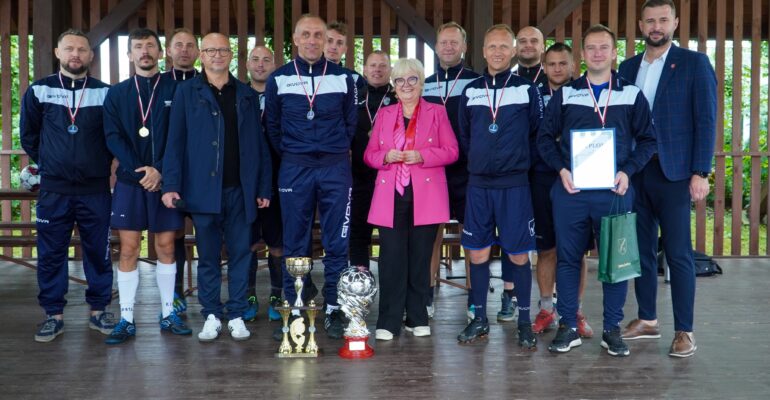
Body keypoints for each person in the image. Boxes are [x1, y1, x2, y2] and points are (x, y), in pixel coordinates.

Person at [538, 24, 656, 357]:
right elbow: (544, 139)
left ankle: (612, 330)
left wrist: (627, 172)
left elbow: (648, 140)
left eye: (604, 47)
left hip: (614, 191)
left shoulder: (631, 94)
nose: (597, 53)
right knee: (568, 259)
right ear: (583, 54)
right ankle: (568, 327)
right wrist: (561, 170)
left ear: (614, 52)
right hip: (571, 191)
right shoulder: (567, 94)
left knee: (615, 262)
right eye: (591, 48)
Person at [618, 0, 716, 358]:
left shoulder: (694, 64)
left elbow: (706, 121)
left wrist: (700, 171)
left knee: (678, 254)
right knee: (641, 252)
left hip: (675, 173)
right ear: (641, 25)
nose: (656, 26)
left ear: (675, 22)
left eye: (663, 19)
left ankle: (684, 330)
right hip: (636, 173)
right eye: (650, 21)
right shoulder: (627, 68)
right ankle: (647, 319)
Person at [162, 33, 272, 342]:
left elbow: (259, 145)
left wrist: (263, 187)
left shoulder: (246, 94)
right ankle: (211, 313)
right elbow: (175, 142)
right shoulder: (186, 92)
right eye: (210, 50)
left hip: (241, 190)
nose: (216, 55)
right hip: (201, 190)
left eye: (222, 50)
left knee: (241, 254)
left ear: (230, 54)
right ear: (201, 54)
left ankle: (236, 313)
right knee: (208, 256)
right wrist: (171, 185)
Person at [264, 14, 358, 340]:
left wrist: (330, 149)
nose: (313, 40)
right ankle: (296, 308)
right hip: (295, 167)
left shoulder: (346, 79)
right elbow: (273, 128)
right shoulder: (279, 79)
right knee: (296, 243)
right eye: (307, 34)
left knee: (337, 242)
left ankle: (334, 308)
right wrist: (297, 152)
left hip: (335, 167)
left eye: (319, 35)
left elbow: (351, 125)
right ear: (295, 39)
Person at [21, 29, 116, 342]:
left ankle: (99, 311)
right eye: (69, 49)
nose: (76, 54)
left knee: (98, 254)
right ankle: (53, 315)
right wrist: (53, 163)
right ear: (59, 54)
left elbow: (114, 138)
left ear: (90, 56)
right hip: (54, 190)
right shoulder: (39, 90)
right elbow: (30, 136)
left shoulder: (105, 92)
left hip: (95, 190)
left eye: (82, 50)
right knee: (51, 254)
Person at [102, 28, 191, 344]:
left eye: (150, 46)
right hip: (130, 182)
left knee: (166, 247)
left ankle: (168, 314)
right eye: (138, 47)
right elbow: (113, 137)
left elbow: (181, 135)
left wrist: (161, 172)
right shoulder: (117, 93)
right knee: (127, 249)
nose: (144, 52)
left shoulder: (179, 89)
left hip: (166, 183)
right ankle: (126, 318)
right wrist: (142, 172)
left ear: (160, 51)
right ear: (129, 55)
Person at [456, 24, 542, 348]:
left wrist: (516, 163)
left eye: (504, 47)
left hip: (514, 186)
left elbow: (536, 134)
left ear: (514, 51)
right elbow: (465, 136)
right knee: (477, 253)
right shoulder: (470, 90)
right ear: (483, 50)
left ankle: (523, 320)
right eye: (492, 46)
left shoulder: (526, 89)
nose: (497, 52)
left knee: (519, 256)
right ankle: (479, 319)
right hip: (479, 186)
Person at [365, 58, 459, 340]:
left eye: (412, 79)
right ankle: (388, 321)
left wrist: (423, 156)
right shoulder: (384, 114)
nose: (406, 85)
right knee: (391, 259)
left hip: (425, 195)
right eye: (400, 81)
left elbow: (453, 151)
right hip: (390, 194)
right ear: (393, 86)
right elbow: (368, 155)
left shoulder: (437, 112)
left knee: (420, 258)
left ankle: (417, 316)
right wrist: (384, 157)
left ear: (421, 82)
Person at [530, 43, 594, 338]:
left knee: (576, 250)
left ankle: (575, 311)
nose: (557, 68)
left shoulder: (585, 93)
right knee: (547, 249)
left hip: (578, 179)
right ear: (544, 66)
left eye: (562, 63)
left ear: (573, 66)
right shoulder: (532, 93)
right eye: (551, 63)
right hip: (542, 178)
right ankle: (546, 308)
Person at [421, 21, 480, 320]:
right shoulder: (424, 82)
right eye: (443, 42)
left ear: (464, 47)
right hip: (432, 171)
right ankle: (427, 296)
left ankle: (474, 297)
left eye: (454, 42)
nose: (448, 47)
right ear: (437, 47)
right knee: (431, 234)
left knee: (470, 235)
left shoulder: (477, 82)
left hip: (466, 171)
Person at [163, 27, 200, 316]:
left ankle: (214, 298)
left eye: (190, 45)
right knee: (173, 235)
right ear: (169, 51)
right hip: (170, 174)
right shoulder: (158, 85)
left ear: (198, 52)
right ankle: (175, 292)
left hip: (202, 175)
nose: (184, 50)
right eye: (179, 45)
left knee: (212, 236)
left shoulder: (208, 82)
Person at [244, 45, 283, 322]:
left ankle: (277, 295)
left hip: (279, 179)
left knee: (278, 244)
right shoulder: (238, 95)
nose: (260, 65)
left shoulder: (283, 95)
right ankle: (248, 297)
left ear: (274, 64)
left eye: (266, 60)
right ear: (247, 64)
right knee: (248, 243)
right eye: (255, 60)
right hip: (245, 181)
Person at [349, 50, 397, 269]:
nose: (377, 69)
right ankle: (361, 286)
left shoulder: (399, 98)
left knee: (390, 236)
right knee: (358, 233)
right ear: (365, 70)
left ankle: (389, 285)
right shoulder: (353, 97)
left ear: (390, 70)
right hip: (358, 177)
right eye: (373, 65)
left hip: (390, 179)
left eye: (382, 66)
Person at [325, 21, 367, 96]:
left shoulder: (354, 78)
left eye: (339, 43)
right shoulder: (308, 74)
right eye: (329, 41)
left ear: (345, 49)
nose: (334, 47)